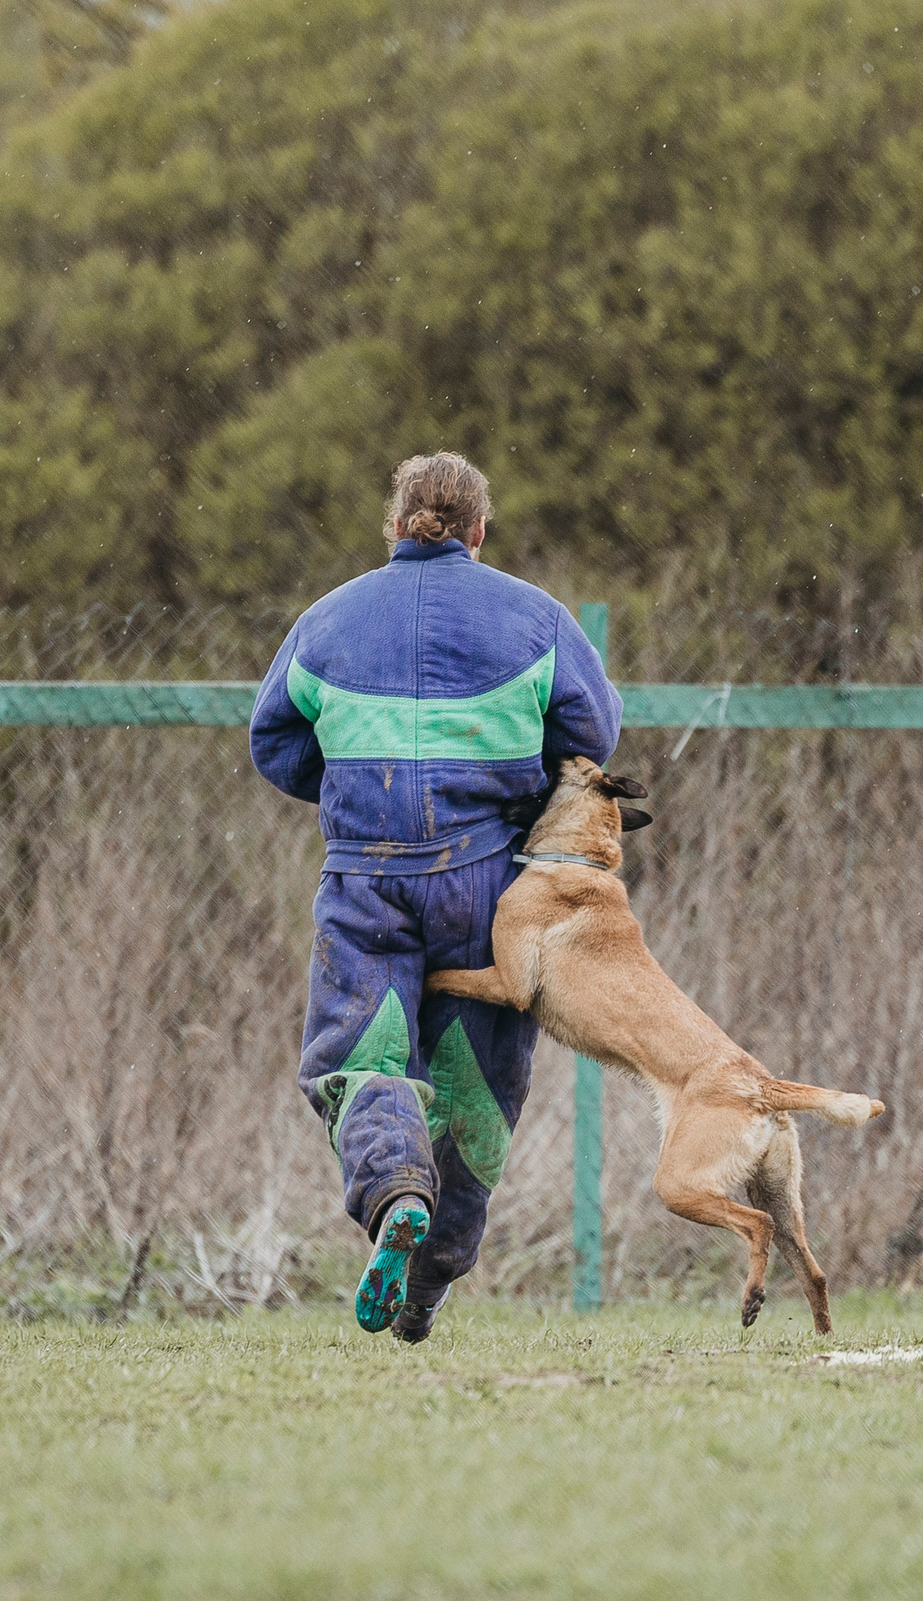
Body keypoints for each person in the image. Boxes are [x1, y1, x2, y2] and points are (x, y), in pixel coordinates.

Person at [250, 453, 622, 1342]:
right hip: (489, 885)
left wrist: (356, 787)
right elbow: (595, 732)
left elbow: (276, 742)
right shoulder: (538, 618)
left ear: (395, 525)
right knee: (476, 1086)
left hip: (367, 879)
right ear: (480, 531)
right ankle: (430, 1279)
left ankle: (393, 1195)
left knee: (364, 1058)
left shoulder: (325, 621)